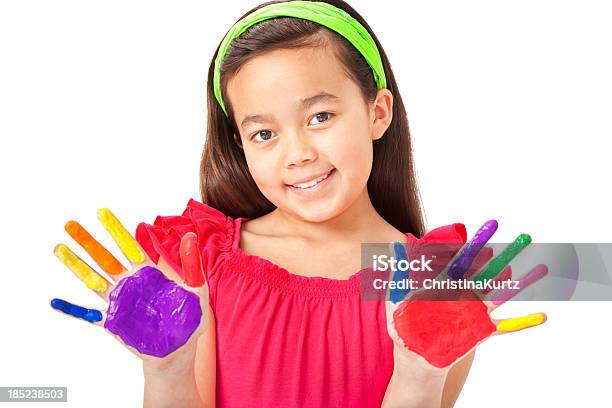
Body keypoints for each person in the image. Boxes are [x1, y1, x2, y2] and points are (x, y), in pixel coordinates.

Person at [50, 1, 547, 407]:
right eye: (264, 133)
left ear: (377, 113)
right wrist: (166, 372)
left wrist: (419, 377)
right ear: (241, 145)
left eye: (320, 116)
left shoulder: (436, 285)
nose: (298, 154)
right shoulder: (202, 262)